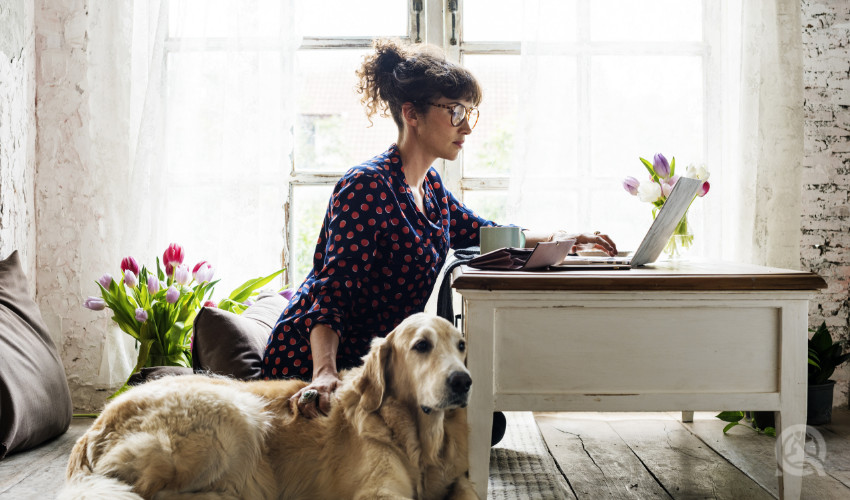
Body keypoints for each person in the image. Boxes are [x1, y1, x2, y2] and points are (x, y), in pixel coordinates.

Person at [261, 39, 616, 421]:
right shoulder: (365, 186)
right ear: (411, 114)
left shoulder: (430, 189)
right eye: (455, 111)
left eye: (470, 113)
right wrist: (323, 373)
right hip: (312, 361)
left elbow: (486, 233)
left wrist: (566, 239)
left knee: (482, 419)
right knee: (473, 421)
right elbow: (332, 293)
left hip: (383, 363)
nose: (466, 126)